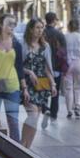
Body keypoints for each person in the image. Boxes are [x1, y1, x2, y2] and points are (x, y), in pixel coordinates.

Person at [0, 14, 27, 142]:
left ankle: (17, 153)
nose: (12, 26)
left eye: (14, 24)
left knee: (13, 122)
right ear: (1, 24)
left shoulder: (17, 44)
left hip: (13, 86)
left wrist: (25, 88)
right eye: (9, 23)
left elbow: (19, 67)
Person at [21, 18, 57, 148]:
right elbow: (17, 66)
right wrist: (29, 72)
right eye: (37, 27)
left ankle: (27, 148)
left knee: (35, 119)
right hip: (26, 84)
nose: (40, 30)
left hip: (41, 85)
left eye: (42, 28)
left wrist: (53, 84)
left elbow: (47, 68)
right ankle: (21, 144)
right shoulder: (24, 44)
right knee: (33, 115)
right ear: (31, 29)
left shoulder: (45, 46)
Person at [44, 12, 67, 121]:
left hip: (43, 67)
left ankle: (44, 108)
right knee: (55, 92)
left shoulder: (42, 33)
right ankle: (54, 113)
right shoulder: (59, 34)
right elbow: (64, 52)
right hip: (56, 67)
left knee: (43, 89)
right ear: (54, 20)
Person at [63, 19, 80, 118]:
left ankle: (69, 110)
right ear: (78, 27)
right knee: (79, 86)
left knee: (68, 88)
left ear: (68, 26)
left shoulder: (65, 37)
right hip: (78, 63)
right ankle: (77, 106)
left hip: (67, 64)